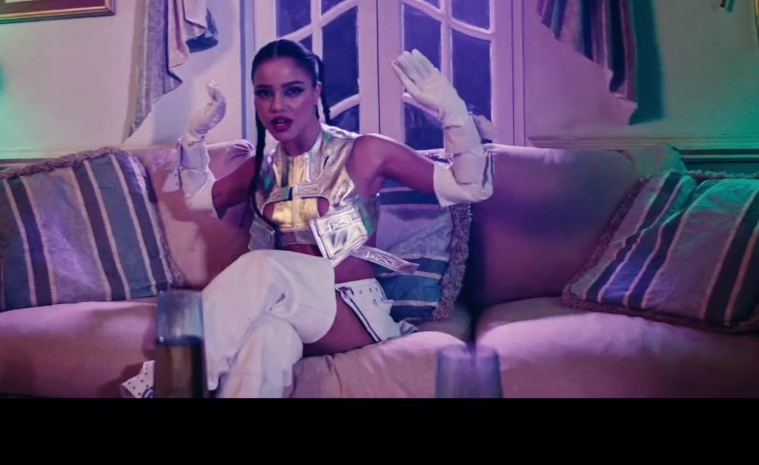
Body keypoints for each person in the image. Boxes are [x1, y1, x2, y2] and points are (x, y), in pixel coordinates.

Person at [121, 39, 496, 398]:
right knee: (265, 341)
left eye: (293, 91)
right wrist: (194, 136)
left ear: (317, 92)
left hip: (351, 311)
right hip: (292, 311)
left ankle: (168, 384)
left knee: (263, 265)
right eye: (264, 93)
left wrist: (452, 111)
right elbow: (200, 198)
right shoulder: (261, 168)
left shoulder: (365, 151)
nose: (277, 106)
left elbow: (470, 187)